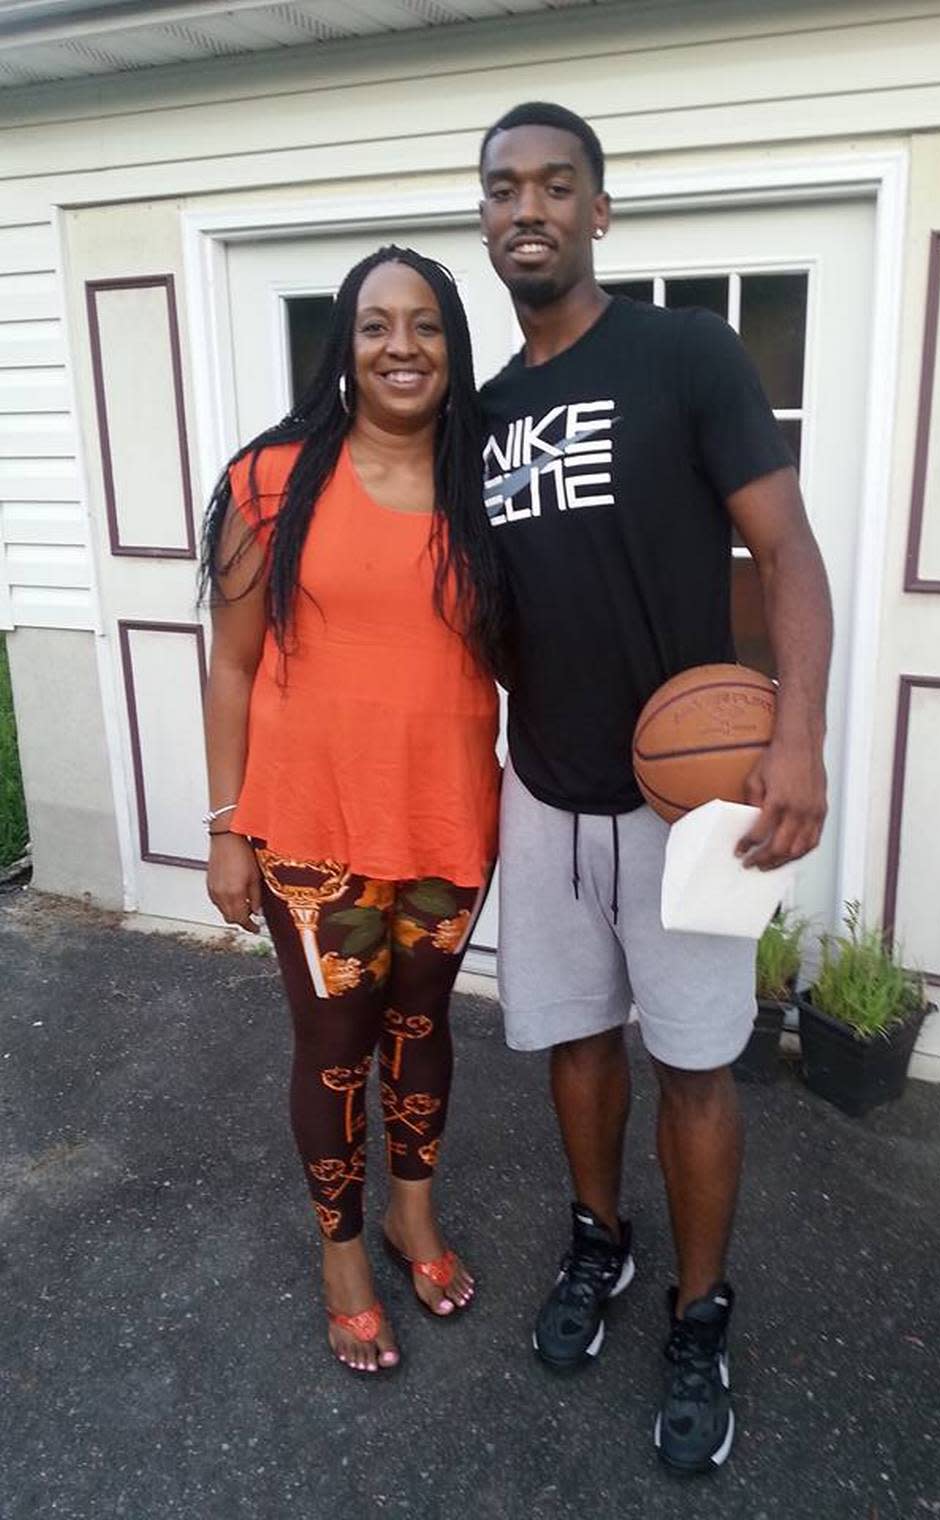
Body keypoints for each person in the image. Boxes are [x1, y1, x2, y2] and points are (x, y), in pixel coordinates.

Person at [478, 103, 832, 1472]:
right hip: (545, 792)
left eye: (558, 185)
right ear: (487, 218)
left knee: (694, 1064)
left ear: (600, 212)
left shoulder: (685, 354)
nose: (531, 208)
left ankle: (699, 1313)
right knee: (576, 1043)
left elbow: (789, 551)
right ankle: (599, 1247)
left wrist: (794, 737)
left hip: (687, 808)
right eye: (506, 187)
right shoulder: (487, 413)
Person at [200, 245, 504, 1375]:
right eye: (376, 325)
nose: (402, 346)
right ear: (344, 345)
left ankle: (411, 1215)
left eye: (425, 325)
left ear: (452, 345)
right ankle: (341, 1257)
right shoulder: (272, 479)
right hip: (312, 828)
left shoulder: (491, 477)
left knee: (423, 1025)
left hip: (449, 816)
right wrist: (228, 822)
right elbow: (232, 662)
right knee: (336, 1045)